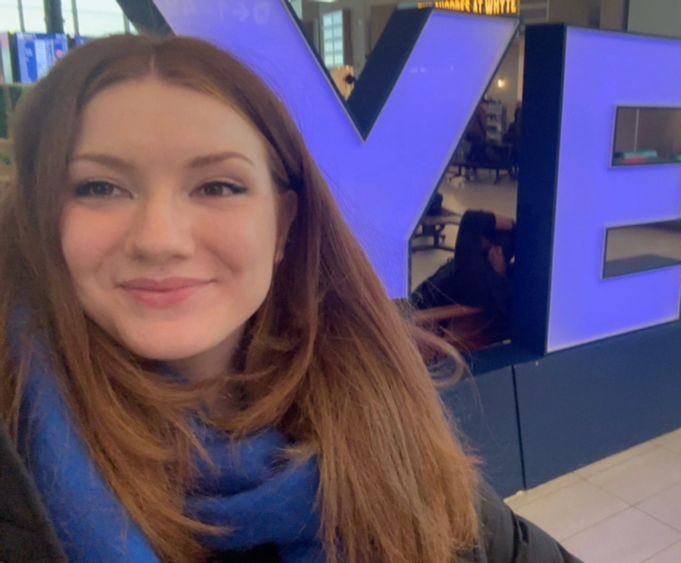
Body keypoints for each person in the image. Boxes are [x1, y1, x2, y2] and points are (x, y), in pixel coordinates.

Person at [0, 35, 578, 563]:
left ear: (283, 226)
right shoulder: (21, 468)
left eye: (218, 186)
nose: (159, 239)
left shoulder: (371, 406)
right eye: (99, 187)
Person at [411, 211, 514, 343]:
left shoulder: (473, 276)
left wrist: (511, 224)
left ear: (494, 250)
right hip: (424, 318)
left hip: (416, 319)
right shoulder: (501, 284)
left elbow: (471, 219)